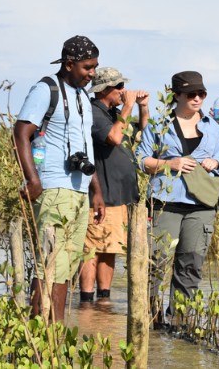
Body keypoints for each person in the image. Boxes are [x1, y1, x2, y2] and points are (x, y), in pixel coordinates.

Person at [14, 35, 106, 322]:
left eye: (95, 67)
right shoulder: (45, 90)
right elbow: (20, 134)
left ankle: (54, 334)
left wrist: (96, 191)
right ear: (69, 64)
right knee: (49, 267)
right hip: (53, 190)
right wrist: (33, 181)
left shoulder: (82, 96)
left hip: (79, 192)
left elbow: (86, 147)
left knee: (67, 268)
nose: (92, 74)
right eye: (87, 68)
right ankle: (39, 336)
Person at [136, 71, 219, 317]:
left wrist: (215, 163)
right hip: (165, 204)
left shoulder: (213, 127)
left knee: (190, 267)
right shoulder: (158, 123)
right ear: (176, 96)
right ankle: (150, 322)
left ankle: (180, 325)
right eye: (191, 94)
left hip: (202, 207)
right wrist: (169, 164)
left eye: (202, 94)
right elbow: (141, 161)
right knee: (156, 265)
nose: (197, 99)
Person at [79, 67, 150, 302]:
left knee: (110, 249)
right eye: (118, 87)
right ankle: (87, 301)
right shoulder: (94, 112)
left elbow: (138, 136)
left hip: (121, 196)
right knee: (92, 251)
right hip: (102, 195)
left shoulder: (113, 113)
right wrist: (128, 106)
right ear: (103, 90)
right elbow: (114, 138)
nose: (123, 91)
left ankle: (104, 301)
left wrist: (142, 107)